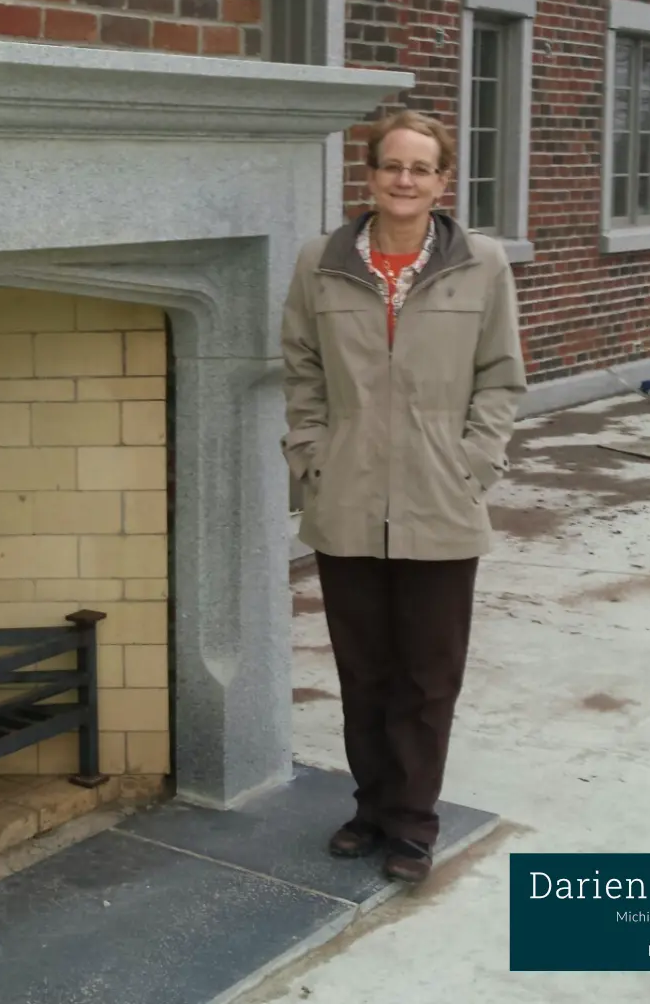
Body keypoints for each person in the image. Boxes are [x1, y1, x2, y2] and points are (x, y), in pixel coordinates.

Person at [279, 109, 527, 884]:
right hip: (345, 498)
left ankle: (414, 825)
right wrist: (311, 456)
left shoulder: (480, 265)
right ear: (371, 173)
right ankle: (371, 809)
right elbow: (302, 368)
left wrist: (473, 462)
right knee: (364, 672)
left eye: (422, 169)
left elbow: (501, 375)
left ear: (443, 181)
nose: (406, 180)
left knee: (428, 675)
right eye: (393, 165)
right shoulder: (320, 261)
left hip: (441, 500)